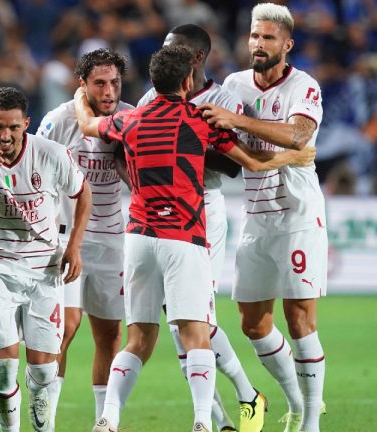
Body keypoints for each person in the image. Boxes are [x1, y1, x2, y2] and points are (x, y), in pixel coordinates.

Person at [76, 45, 316, 432]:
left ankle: (109, 417)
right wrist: (295, 158)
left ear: (151, 83)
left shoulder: (130, 120)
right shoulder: (200, 120)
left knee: (137, 339)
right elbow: (252, 162)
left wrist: (78, 100)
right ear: (188, 80)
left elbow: (88, 124)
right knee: (195, 333)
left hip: (137, 238)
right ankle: (204, 422)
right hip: (183, 238)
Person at [200, 4, 328, 432]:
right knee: (253, 323)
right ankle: (294, 400)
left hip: (297, 213)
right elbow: (225, 144)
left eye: (268, 38)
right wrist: (280, 155)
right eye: (255, 36)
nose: (258, 44)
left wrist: (238, 121)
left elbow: (298, 135)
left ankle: (310, 421)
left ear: (286, 45)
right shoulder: (233, 84)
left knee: (299, 318)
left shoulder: (304, 87)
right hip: (255, 215)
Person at [137, 24, 264, 432]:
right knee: (178, 320)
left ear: (194, 58)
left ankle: (244, 396)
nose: (163, 57)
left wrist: (180, 152)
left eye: (171, 50)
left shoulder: (222, 101)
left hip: (201, 209)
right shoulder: (150, 97)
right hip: (156, 212)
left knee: (193, 318)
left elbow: (233, 163)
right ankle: (224, 417)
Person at [0, 86, 92, 432]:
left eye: (13, 127)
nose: (5, 135)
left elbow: (83, 192)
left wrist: (74, 246)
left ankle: (42, 420)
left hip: (44, 265)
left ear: (27, 123)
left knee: (42, 370)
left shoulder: (51, 154)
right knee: (6, 366)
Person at [36, 48, 132, 426]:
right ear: (82, 84)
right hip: (65, 239)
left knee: (109, 337)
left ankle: (102, 421)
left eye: (114, 83)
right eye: (100, 83)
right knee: (65, 326)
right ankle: (48, 418)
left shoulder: (128, 119)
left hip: (112, 239)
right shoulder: (59, 120)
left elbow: (134, 178)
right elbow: (33, 166)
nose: (108, 91)